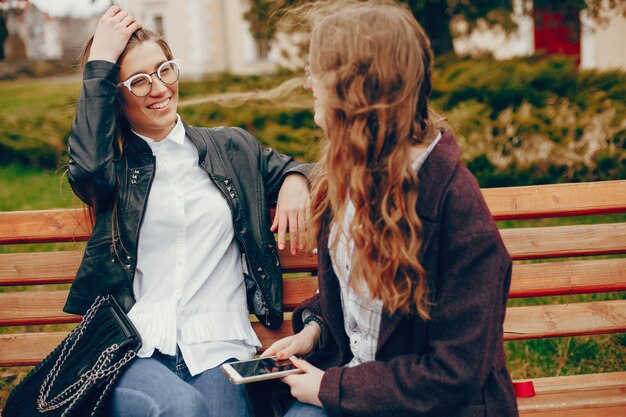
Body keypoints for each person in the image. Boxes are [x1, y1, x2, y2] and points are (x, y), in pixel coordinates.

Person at [262, 1, 519, 416]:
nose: (309, 83)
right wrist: (314, 330)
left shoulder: (458, 214)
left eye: (317, 72)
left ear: (358, 92)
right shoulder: (347, 178)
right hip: (351, 389)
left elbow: (453, 374)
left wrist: (331, 387)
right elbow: (356, 308)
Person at [64, 6, 310, 417]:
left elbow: (320, 170)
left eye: (165, 71)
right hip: (136, 350)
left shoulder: (232, 148)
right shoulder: (114, 169)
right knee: (181, 407)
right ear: (117, 93)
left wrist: (297, 179)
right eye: (139, 81)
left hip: (221, 348)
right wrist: (98, 65)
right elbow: (84, 168)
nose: (158, 88)